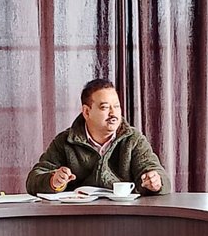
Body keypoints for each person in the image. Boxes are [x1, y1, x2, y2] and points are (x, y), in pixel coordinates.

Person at [26, 79, 168, 194]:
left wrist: (156, 182)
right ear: (86, 112)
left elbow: (161, 178)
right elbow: (33, 180)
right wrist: (53, 181)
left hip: (124, 215)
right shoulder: (65, 141)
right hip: (78, 216)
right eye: (105, 107)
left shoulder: (133, 139)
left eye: (116, 106)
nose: (113, 113)